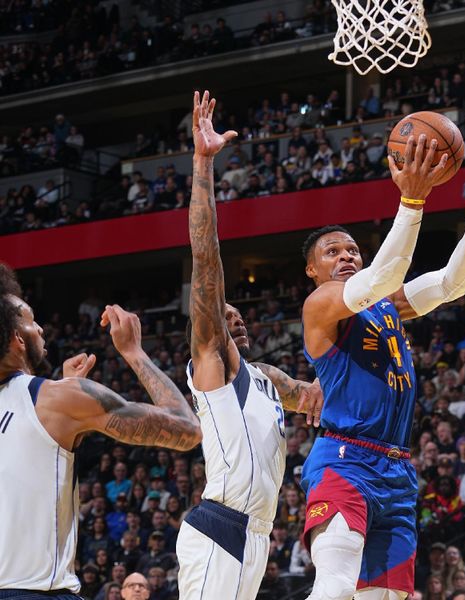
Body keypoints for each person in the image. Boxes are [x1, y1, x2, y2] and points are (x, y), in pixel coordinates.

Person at [299, 116, 465, 600]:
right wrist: (413, 201)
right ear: (312, 270)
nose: (345, 256)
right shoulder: (320, 307)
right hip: (345, 460)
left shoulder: (388, 304)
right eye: (332, 252)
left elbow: (449, 284)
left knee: (387, 598)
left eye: (352, 248)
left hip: (397, 471)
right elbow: (380, 276)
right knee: (335, 588)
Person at [176, 91, 323, 600]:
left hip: (258, 532)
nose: (233, 321)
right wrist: (202, 165)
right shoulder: (213, 362)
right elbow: (205, 260)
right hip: (223, 522)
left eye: (239, 318)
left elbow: (314, 393)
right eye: (224, 316)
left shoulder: (266, 378)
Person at [0, 266, 201, 598]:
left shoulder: (54, 398)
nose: (40, 328)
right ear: (16, 338)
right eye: (31, 320)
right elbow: (187, 428)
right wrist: (134, 351)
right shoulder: (57, 399)